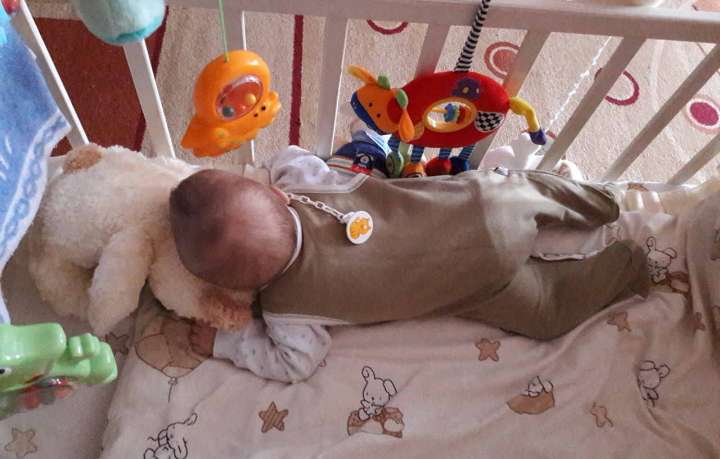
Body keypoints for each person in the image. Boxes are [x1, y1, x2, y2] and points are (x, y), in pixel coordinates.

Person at [170, 147, 649, 383]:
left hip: (484, 284)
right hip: (486, 206)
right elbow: (290, 155)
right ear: (276, 196)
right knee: (532, 191)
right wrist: (269, 175)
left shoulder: (286, 311)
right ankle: (602, 202)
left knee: (547, 311)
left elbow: (296, 363)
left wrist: (226, 344)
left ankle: (628, 266)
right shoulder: (305, 186)